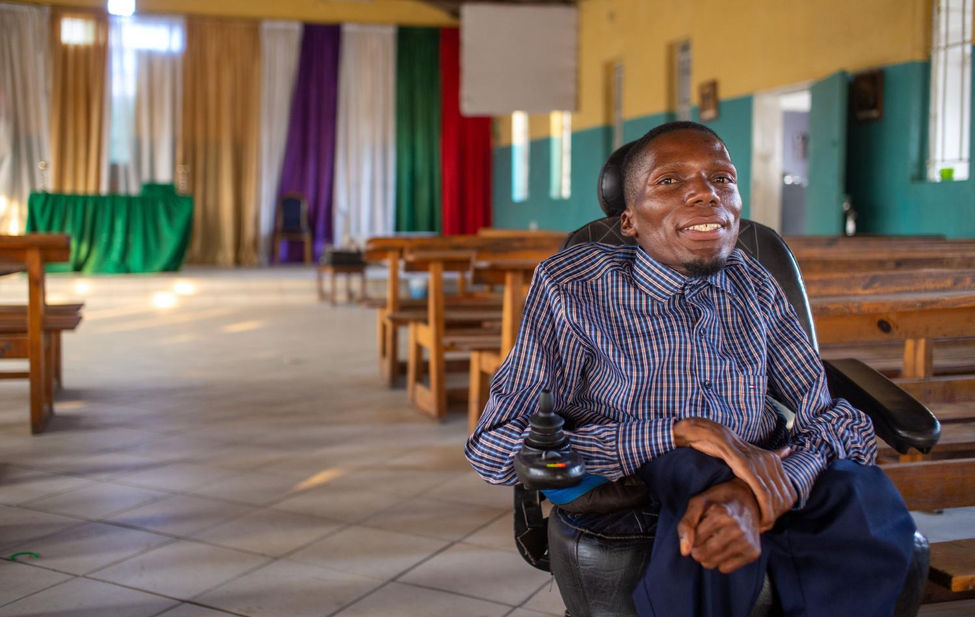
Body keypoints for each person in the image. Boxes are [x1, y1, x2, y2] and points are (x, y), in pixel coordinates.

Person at [465, 121, 917, 617]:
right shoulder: (574, 287)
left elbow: (834, 421)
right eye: (669, 181)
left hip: (760, 465)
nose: (705, 193)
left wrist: (760, 487)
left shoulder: (756, 283)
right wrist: (681, 432)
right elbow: (495, 446)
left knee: (865, 493)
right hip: (642, 482)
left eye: (722, 179)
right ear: (630, 221)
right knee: (696, 488)